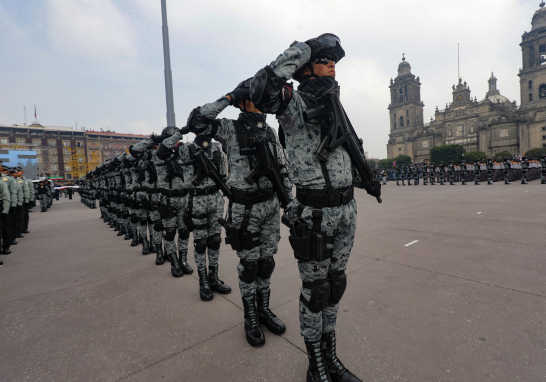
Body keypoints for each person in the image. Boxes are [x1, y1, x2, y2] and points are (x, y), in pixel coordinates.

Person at [247, 34, 380, 382]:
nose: (331, 63)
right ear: (305, 68)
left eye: (333, 60)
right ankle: (315, 366)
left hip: (345, 210)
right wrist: (303, 48)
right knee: (315, 292)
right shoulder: (292, 103)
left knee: (335, 286)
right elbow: (262, 89)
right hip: (315, 214)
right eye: (323, 59)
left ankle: (331, 358)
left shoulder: (336, 104)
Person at [185, 77, 292, 346]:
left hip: (270, 206)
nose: (262, 100)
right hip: (246, 208)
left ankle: (264, 309)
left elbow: (282, 168)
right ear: (244, 101)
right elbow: (197, 123)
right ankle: (251, 317)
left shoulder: (269, 130)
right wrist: (230, 97)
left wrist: (289, 201)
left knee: (266, 262)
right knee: (249, 265)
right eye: (254, 96)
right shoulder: (229, 128)